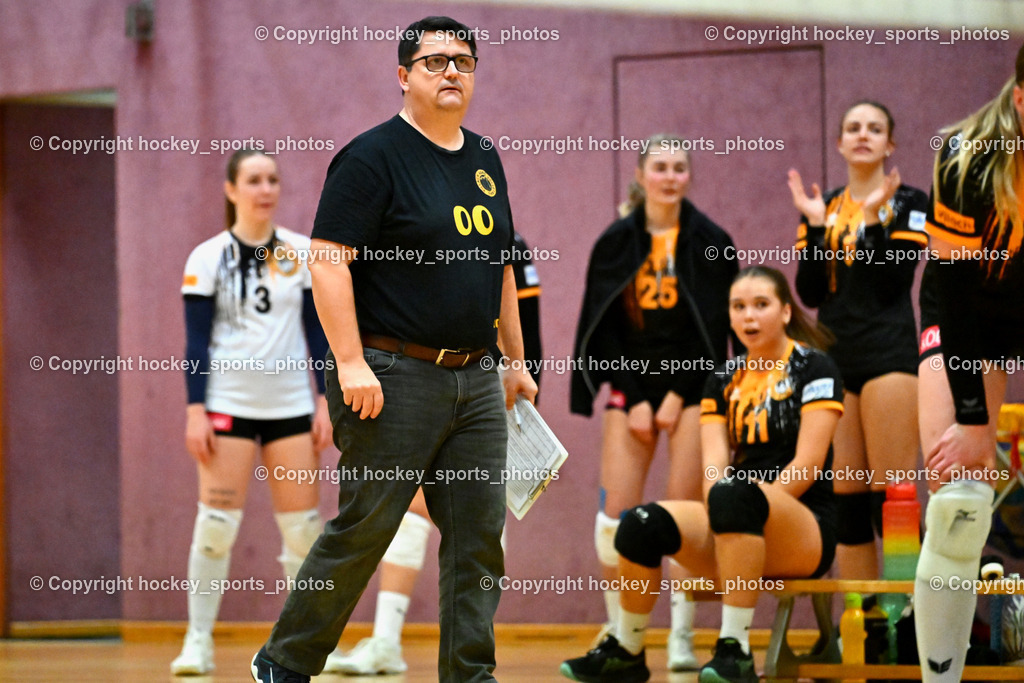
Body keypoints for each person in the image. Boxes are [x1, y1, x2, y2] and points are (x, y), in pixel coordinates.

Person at [250, 16, 537, 683]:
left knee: (478, 543)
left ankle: (471, 673)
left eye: (463, 61)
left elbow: (501, 266)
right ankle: (284, 663)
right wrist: (349, 362)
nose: (451, 73)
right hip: (392, 374)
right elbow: (327, 262)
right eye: (434, 62)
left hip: (476, 382)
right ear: (403, 75)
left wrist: (517, 361)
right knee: (364, 530)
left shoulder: (486, 158)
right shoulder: (371, 157)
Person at [561, 266, 842, 683]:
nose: (749, 317)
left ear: (785, 312)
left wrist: (742, 504)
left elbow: (807, 465)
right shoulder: (722, 379)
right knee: (639, 524)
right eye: (739, 307)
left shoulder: (814, 367)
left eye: (761, 305)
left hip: (805, 524)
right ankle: (627, 648)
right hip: (737, 511)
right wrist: (724, 506)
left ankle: (735, 650)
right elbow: (713, 465)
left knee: (734, 494)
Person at [322, 234, 542, 675]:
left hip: (489, 392)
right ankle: (386, 640)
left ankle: (464, 657)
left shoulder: (506, 239)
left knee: (480, 523)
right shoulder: (413, 228)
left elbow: (526, 323)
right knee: (405, 509)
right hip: (421, 387)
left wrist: (524, 386)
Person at [570, 134, 737, 670]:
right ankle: (623, 633)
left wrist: (677, 396)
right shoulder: (615, 242)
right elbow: (606, 329)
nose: (669, 176)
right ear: (641, 175)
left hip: (691, 387)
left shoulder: (710, 239)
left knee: (680, 512)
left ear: (689, 177)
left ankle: (682, 636)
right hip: (633, 385)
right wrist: (637, 398)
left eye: (679, 168)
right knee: (615, 518)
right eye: (660, 167)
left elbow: (712, 331)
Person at [173, 148, 332, 675]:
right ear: (231, 189)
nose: (266, 189)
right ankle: (198, 641)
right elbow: (196, 343)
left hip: (289, 407)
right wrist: (196, 410)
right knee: (216, 524)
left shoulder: (300, 252)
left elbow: (317, 333)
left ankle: (303, 648)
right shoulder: (206, 257)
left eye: (273, 180)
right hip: (227, 408)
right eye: (254, 180)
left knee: (303, 531)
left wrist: (325, 400)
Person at [914, 44, 1024, 682]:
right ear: (1018, 98)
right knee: (960, 500)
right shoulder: (968, 160)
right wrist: (977, 420)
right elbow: (957, 302)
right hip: (969, 318)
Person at [788, 102, 929, 578]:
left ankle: (908, 620)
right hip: (835, 359)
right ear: (839, 143)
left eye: (875, 129)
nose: (863, 135)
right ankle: (863, 625)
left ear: (890, 144)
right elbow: (809, 293)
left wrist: (871, 221)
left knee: (893, 499)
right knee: (847, 503)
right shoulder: (822, 205)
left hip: (889, 356)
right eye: (853, 128)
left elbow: (892, 283)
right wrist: (813, 225)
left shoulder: (910, 203)